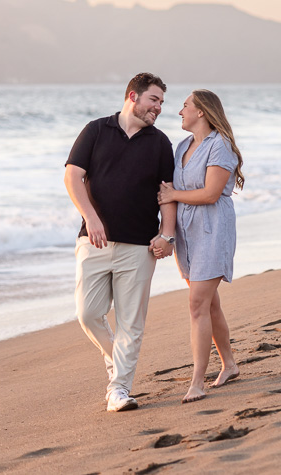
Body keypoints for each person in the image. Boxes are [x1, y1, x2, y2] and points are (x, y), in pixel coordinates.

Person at [64, 72, 176, 412]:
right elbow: (72, 175)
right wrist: (91, 218)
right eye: (153, 100)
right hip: (94, 242)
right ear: (133, 96)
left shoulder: (160, 143)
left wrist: (166, 235)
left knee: (132, 323)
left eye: (162, 103)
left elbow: (167, 195)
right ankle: (117, 360)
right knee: (88, 313)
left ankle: (119, 390)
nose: (158, 108)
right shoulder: (97, 130)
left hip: (140, 247)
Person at [157, 89, 244, 403]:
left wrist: (173, 196)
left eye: (185, 106)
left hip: (212, 230)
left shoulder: (219, 146)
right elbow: (168, 190)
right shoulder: (182, 147)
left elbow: (210, 194)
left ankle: (197, 381)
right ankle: (230, 364)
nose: (180, 111)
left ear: (202, 112)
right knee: (210, 304)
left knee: (197, 305)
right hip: (187, 234)